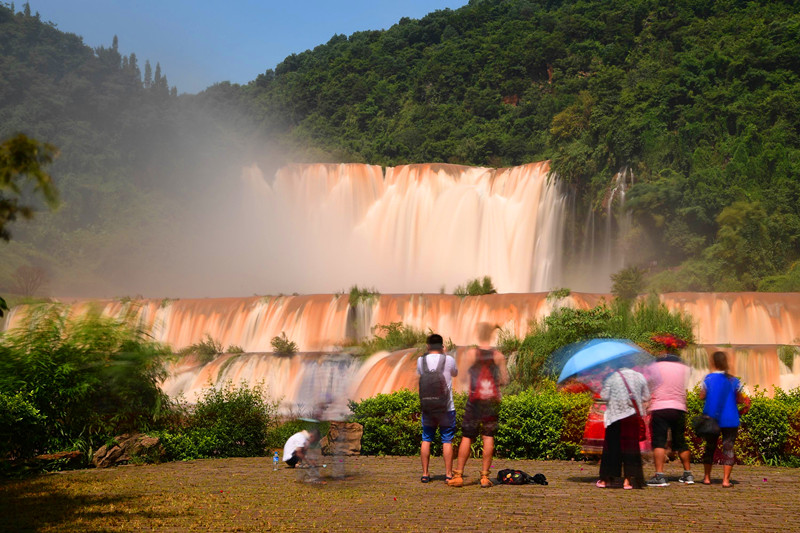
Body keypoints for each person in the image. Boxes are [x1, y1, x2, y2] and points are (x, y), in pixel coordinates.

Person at [448, 323, 508, 488]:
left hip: (475, 400)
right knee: (488, 437)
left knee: (467, 436)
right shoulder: (498, 356)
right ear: (491, 335)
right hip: (491, 401)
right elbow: (504, 379)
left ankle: (459, 475)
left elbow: (462, 377)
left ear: (478, 335)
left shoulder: (471, 354)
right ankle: (484, 477)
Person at [646, 334, 693, 487]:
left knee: (659, 442)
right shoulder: (685, 367)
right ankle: (688, 474)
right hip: (679, 407)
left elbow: (650, 385)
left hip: (660, 407)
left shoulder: (654, 366)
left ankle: (660, 476)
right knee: (681, 442)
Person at [596, 362, 650, 489]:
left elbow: (604, 396)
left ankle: (606, 480)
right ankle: (627, 481)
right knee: (631, 449)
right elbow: (646, 396)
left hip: (615, 416)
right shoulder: (639, 376)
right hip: (632, 416)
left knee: (611, 447)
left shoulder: (612, 376)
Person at [699, 351, 749, 487]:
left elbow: (701, 396)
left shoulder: (708, 379)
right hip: (730, 418)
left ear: (713, 363)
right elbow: (740, 399)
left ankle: (707, 478)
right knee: (728, 448)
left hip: (712, 418)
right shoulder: (734, 380)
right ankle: (726, 480)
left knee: (709, 447)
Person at [417, 333, 458, 483]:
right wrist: (445, 354)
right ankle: (448, 474)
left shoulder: (421, 361)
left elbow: (421, 375)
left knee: (426, 438)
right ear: (442, 346)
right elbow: (455, 373)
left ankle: (425, 474)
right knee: (447, 440)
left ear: (428, 346)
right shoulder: (449, 360)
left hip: (428, 407)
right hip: (446, 407)